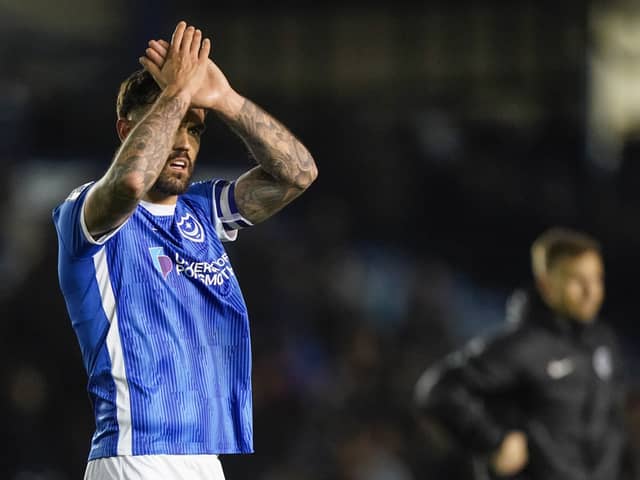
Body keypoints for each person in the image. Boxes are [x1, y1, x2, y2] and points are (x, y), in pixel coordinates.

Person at [53, 21, 317, 480]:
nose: (183, 144)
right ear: (125, 130)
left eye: (194, 129)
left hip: (204, 455)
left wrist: (224, 100)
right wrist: (178, 91)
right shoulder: (87, 213)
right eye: (173, 122)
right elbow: (131, 181)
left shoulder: (203, 214)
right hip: (136, 451)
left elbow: (298, 174)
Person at [414, 228, 636, 480]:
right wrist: (493, 441)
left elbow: (614, 424)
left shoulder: (602, 343)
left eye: (597, 279)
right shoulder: (522, 346)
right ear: (546, 284)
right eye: (577, 279)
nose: (590, 291)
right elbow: (440, 390)